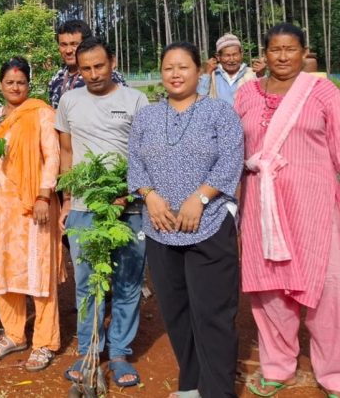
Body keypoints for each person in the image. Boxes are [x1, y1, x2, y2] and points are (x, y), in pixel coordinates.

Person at [128, 42, 244, 398]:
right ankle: (191, 384)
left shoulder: (220, 113)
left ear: (200, 71)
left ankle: (217, 390)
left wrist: (200, 197)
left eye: (183, 67)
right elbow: (136, 163)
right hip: (161, 230)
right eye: (168, 68)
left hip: (207, 227)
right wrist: (150, 195)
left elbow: (230, 160)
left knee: (212, 314)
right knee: (176, 312)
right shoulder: (146, 116)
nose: (175, 75)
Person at [234, 23, 340, 398]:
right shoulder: (247, 94)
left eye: (290, 49)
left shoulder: (323, 92)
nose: (283, 57)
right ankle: (278, 367)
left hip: (313, 209)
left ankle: (333, 374)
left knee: (328, 290)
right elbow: (232, 149)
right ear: (264, 55)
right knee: (269, 291)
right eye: (276, 50)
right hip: (261, 207)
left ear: (304, 52)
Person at [56, 38, 148, 388]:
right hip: (83, 208)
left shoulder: (135, 100)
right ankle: (87, 348)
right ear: (77, 69)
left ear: (113, 61)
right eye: (85, 68)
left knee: (127, 281)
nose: (93, 74)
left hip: (130, 208)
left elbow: (144, 155)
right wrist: (67, 199)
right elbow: (66, 154)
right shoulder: (68, 101)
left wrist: (125, 195)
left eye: (99, 65)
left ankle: (121, 352)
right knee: (86, 285)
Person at [0, 57, 63, 372]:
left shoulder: (41, 112)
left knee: (39, 273)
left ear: (28, 85)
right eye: (9, 82)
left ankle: (45, 341)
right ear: (1, 85)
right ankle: (14, 332)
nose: (15, 87)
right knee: (4, 271)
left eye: (21, 82)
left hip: (34, 206)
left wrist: (44, 195)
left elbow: (52, 156)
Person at [48, 19, 126, 109]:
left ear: (86, 44)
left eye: (74, 44)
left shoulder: (108, 77)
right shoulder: (57, 78)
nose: (68, 51)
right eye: (63, 45)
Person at [197, 33, 258, 105]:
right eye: (227, 55)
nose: (231, 60)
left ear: (241, 54)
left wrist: (261, 75)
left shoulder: (252, 73)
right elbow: (199, 101)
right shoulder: (212, 75)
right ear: (218, 57)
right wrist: (207, 74)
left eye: (235, 55)